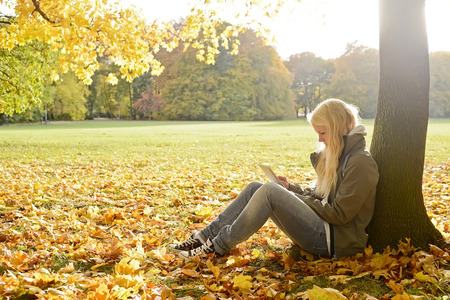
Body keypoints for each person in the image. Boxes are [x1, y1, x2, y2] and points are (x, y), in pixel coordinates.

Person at [172, 99, 379, 259]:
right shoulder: (340, 154)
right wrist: (292, 188)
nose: (319, 139)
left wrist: (290, 195)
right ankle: (203, 237)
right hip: (323, 228)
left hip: (335, 240)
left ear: (336, 128)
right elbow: (321, 196)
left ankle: (216, 247)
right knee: (256, 187)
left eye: (323, 133)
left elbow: (340, 214)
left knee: (270, 192)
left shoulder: (360, 163)